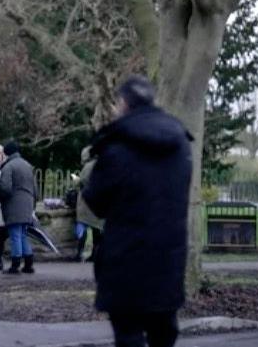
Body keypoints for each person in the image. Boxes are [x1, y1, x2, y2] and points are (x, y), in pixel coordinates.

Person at [83, 76, 192, 347]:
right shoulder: (180, 142)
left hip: (126, 257)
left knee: (128, 333)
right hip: (169, 257)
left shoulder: (116, 145)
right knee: (164, 334)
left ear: (123, 103)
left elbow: (96, 201)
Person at [0, 141, 36, 275]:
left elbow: (5, 188)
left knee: (15, 235)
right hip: (28, 205)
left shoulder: (8, 167)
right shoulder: (28, 165)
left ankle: (15, 265)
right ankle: (29, 264)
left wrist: (0, 196)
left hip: (14, 205)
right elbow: (35, 190)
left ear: (6, 153)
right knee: (23, 234)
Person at [73, 146, 104, 262]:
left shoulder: (88, 166)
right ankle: (95, 254)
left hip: (86, 203)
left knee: (82, 227)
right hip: (99, 202)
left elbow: (83, 182)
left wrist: (76, 180)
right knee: (97, 228)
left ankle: (79, 254)